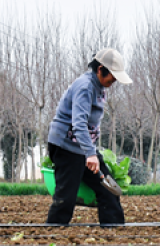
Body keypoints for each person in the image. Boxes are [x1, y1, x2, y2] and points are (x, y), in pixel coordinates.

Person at [46, 48, 132, 225]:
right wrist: (91, 154)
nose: (114, 80)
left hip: (83, 147)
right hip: (66, 146)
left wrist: (90, 151)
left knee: (108, 189)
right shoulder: (85, 87)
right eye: (112, 76)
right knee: (66, 197)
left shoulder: (99, 87)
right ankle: (52, 234)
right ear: (100, 69)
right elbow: (79, 124)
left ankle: (114, 234)